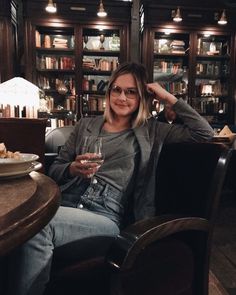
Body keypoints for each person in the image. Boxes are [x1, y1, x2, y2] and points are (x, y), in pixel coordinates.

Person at [7, 62, 214, 295]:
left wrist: (168, 98)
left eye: (131, 91)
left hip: (104, 217)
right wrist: (71, 169)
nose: (122, 97)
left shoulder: (152, 130)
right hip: (64, 203)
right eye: (116, 89)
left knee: (35, 225)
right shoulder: (85, 125)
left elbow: (204, 132)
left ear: (142, 97)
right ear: (108, 93)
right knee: (17, 224)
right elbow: (54, 168)